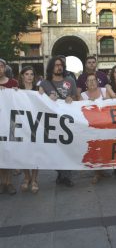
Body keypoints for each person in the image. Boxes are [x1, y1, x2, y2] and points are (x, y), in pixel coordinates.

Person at [39, 56, 77, 187]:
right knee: (55, 150)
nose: (59, 67)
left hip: (68, 122)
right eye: (56, 65)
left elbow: (76, 97)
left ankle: (65, 175)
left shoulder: (70, 80)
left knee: (69, 148)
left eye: (61, 65)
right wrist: (47, 98)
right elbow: (38, 100)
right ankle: (62, 173)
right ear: (51, 67)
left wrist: (71, 98)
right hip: (52, 123)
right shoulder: (44, 83)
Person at [18, 66, 39, 193]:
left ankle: (35, 179)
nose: (29, 76)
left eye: (31, 74)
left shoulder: (38, 90)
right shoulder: (16, 91)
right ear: (22, 76)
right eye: (27, 74)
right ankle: (27, 177)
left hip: (35, 126)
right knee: (23, 152)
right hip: (21, 126)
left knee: (35, 153)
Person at [0, 58, 18, 195]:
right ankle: (2, 182)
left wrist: (16, 92)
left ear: (5, 68)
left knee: (9, 152)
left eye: (1, 66)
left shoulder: (13, 83)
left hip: (11, 123)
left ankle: (9, 182)